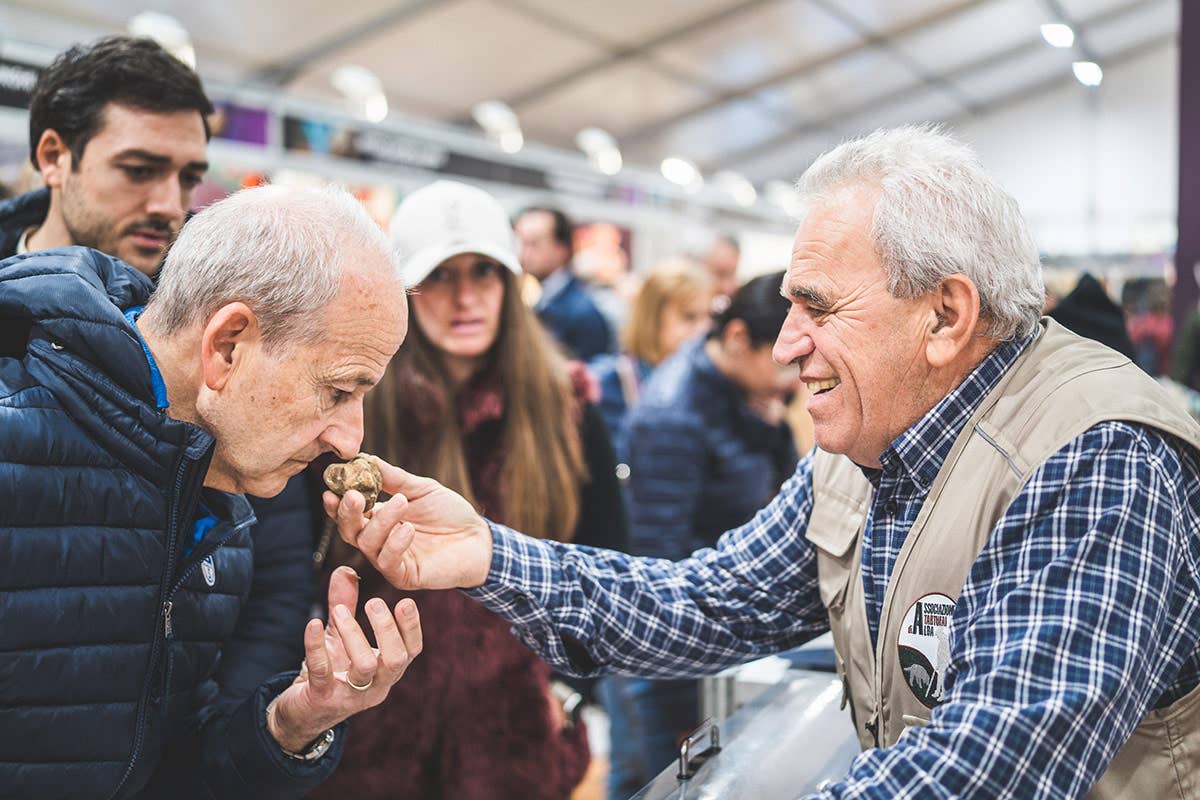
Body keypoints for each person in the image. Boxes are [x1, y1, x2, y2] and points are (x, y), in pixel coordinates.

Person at [330, 126, 1200, 800]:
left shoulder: (1098, 462)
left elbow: (986, 768)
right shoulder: (871, 446)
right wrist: (487, 553)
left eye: (817, 307)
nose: (785, 346)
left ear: (943, 316)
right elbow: (707, 602)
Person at [0, 184, 424, 798]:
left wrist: (291, 722)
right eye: (338, 391)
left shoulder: (217, 513)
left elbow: (155, 768)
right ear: (227, 346)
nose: (350, 440)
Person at [0, 34, 316, 704]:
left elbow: (279, 565)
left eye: (187, 177)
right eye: (139, 170)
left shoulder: (225, 330)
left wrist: (220, 732)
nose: (170, 205)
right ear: (54, 157)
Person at [310, 180, 627, 800]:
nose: (464, 298)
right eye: (440, 275)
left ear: (510, 283)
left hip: (515, 741)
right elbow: (291, 561)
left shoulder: (566, 408)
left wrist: (566, 692)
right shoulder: (353, 408)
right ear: (403, 289)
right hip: (372, 740)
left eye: (484, 272)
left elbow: (608, 556)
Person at [620, 270, 799, 786]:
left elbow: (779, 488)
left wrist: (768, 424)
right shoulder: (673, 417)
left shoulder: (745, 392)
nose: (797, 375)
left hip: (719, 635)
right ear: (740, 339)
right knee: (656, 780)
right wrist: (682, 711)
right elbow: (657, 570)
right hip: (668, 659)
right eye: (785, 359)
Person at [588, 257, 713, 454]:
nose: (704, 329)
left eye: (709, 316)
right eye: (690, 317)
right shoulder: (605, 382)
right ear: (652, 318)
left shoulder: (705, 386)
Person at [515, 205, 614, 360]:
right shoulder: (539, 298)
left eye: (534, 243)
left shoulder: (583, 313)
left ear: (562, 249)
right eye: (521, 242)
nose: (523, 253)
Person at [705, 234, 741, 313]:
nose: (715, 259)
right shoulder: (703, 290)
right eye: (714, 254)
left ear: (736, 257)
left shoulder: (742, 295)